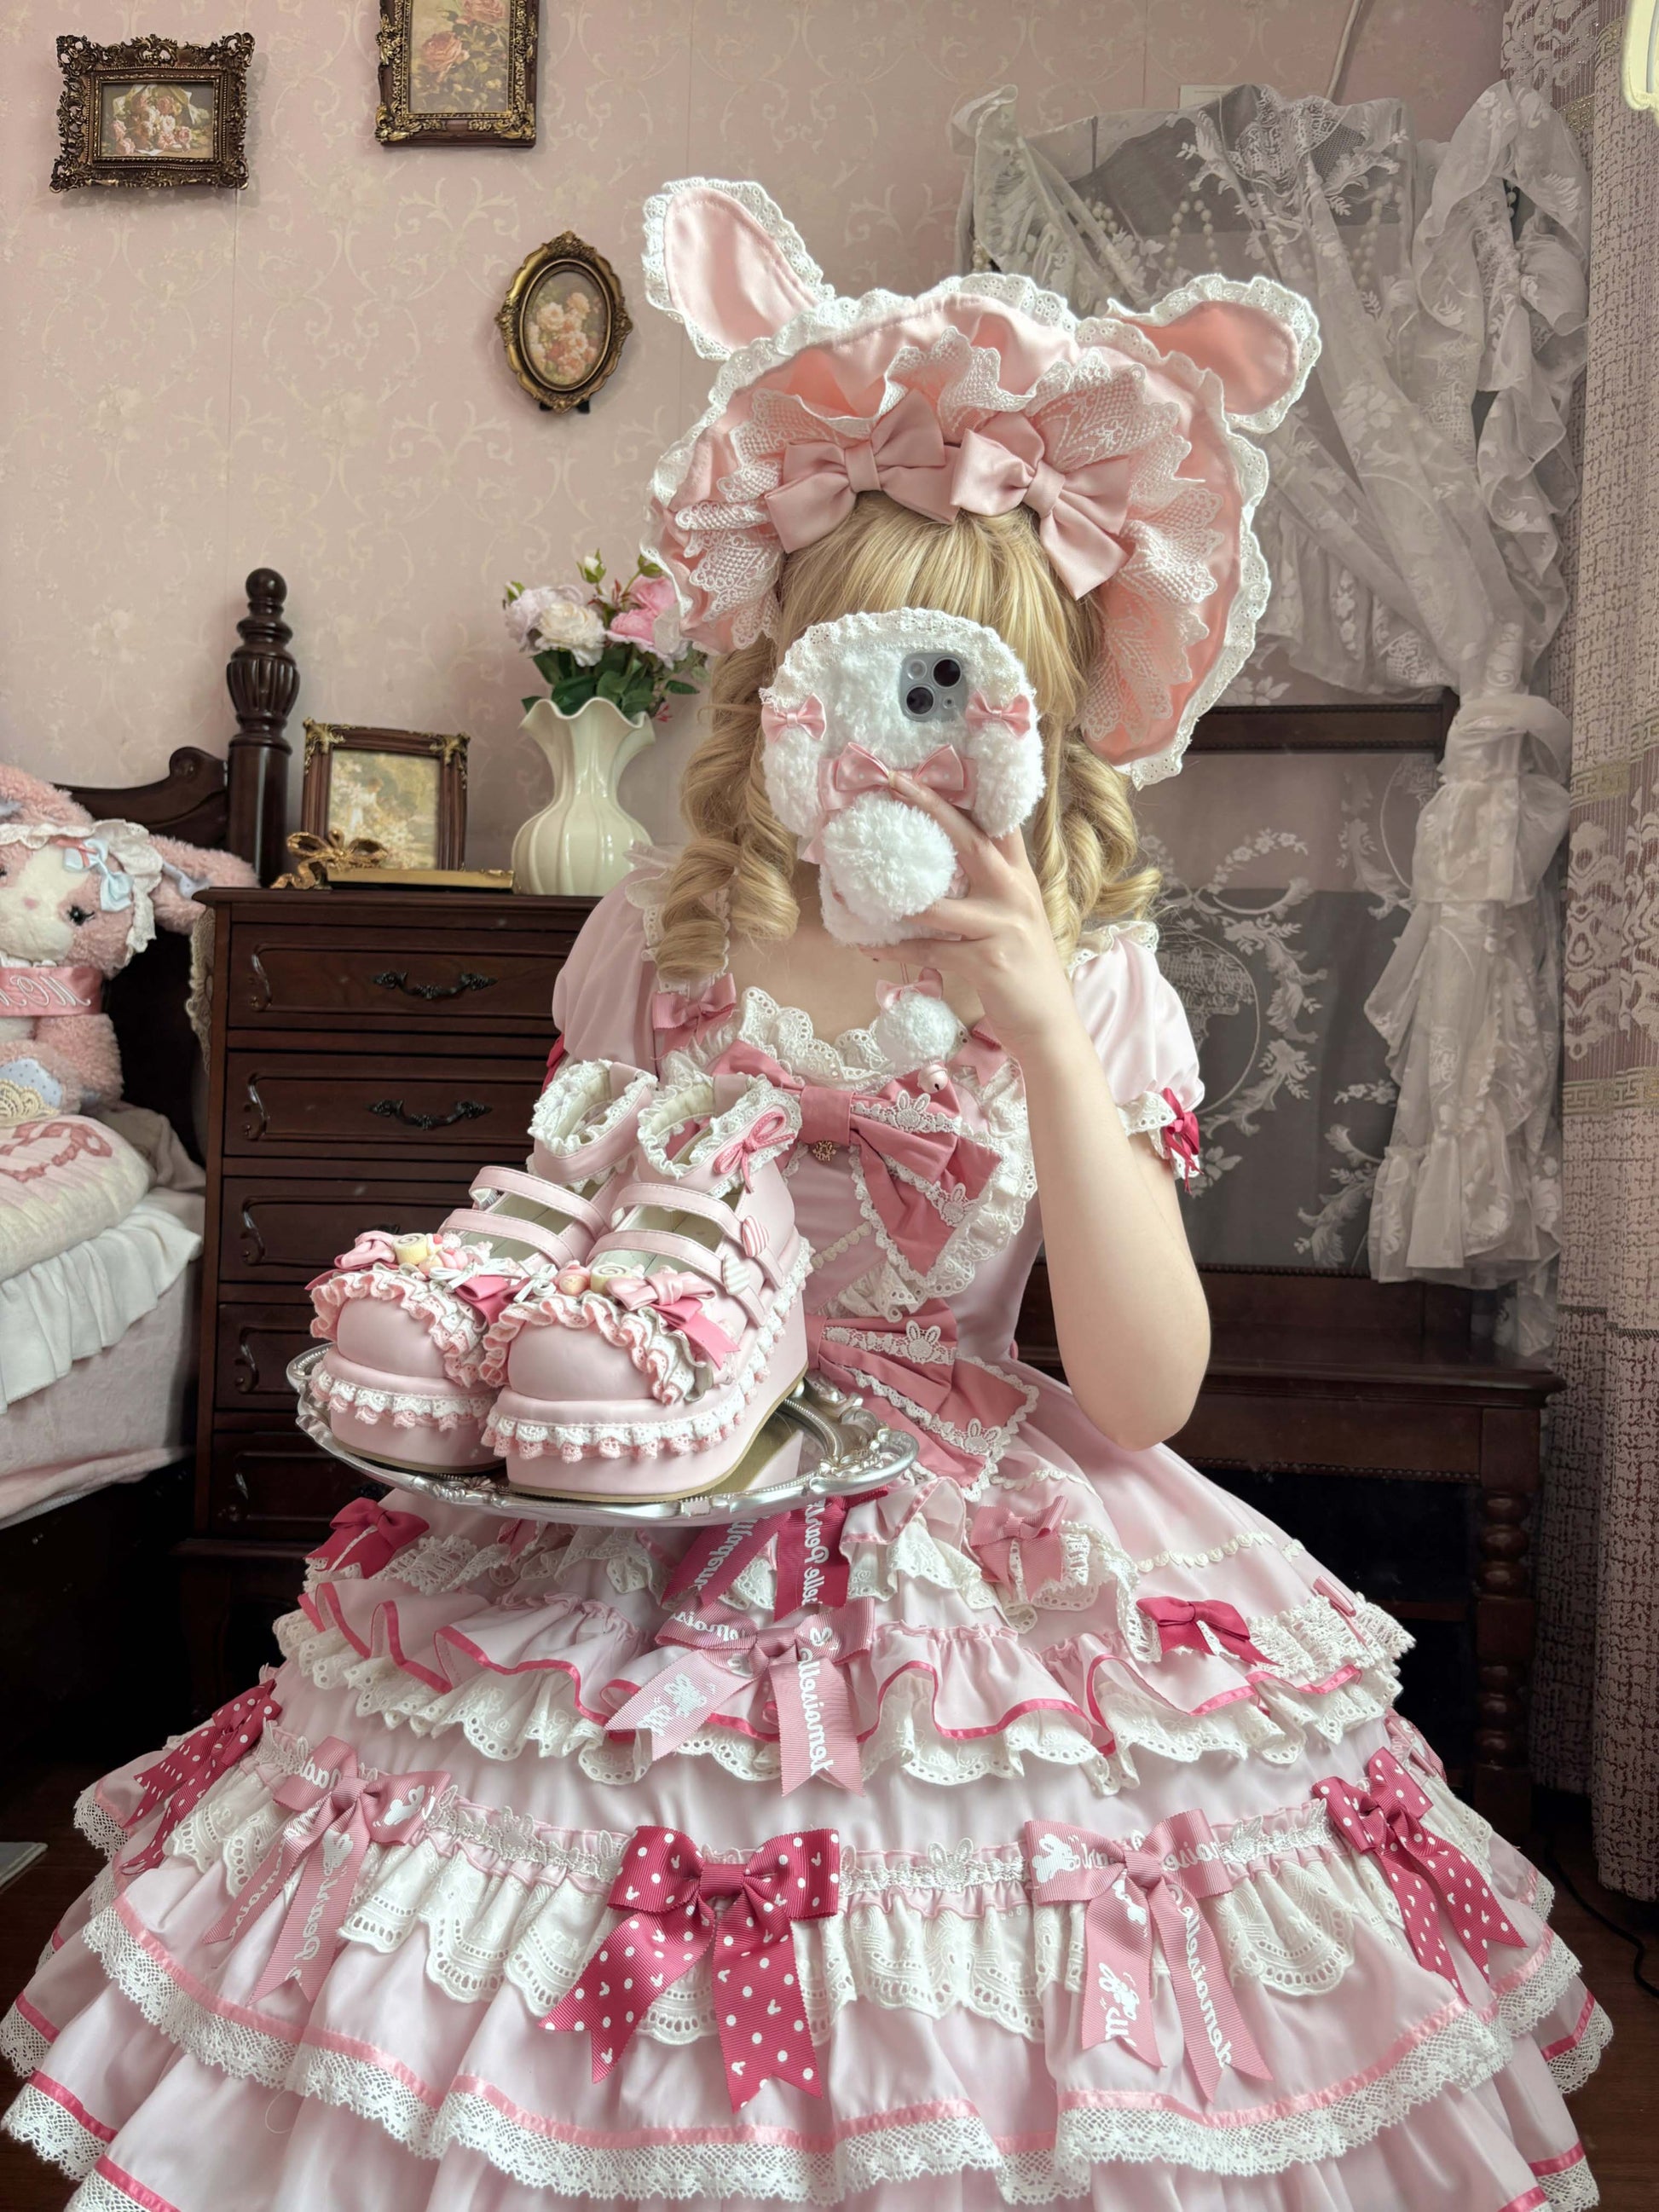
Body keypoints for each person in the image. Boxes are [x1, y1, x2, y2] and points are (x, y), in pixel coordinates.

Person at [0, 176, 1604, 2209]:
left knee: (959, 1965)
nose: (891, 735)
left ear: (1040, 714)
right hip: (652, 1461)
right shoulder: (663, 938)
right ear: (778, 678)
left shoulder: (1098, 968)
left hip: (984, 1533)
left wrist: (1034, 1021)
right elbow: (570, 1232)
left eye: (955, 691)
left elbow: (1141, 1392)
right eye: (846, 673)